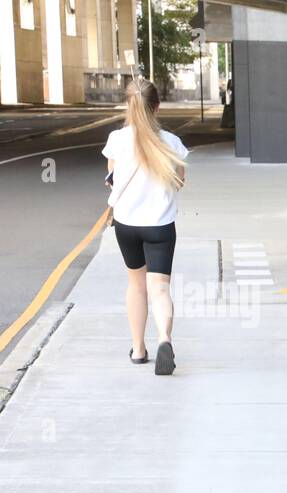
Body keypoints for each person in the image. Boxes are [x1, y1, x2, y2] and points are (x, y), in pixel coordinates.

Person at [103, 77, 189, 375]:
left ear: (128, 105)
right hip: (160, 226)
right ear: (158, 106)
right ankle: (165, 339)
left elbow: (111, 178)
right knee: (160, 288)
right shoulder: (172, 142)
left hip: (126, 224)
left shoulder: (116, 140)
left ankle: (138, 349)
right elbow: (179, 183)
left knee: (136, 285)